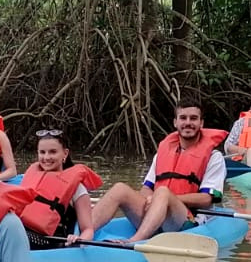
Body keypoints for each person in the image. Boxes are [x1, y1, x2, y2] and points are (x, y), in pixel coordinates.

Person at [92, 101, 226, 242]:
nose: (188, 123)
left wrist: (165, 198)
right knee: (120, 189)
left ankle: (133, 241)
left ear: (201, 123)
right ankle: (84, 233)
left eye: (193, 118)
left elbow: (207, 198)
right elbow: (146, 189)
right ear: (175, 122)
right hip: (155, 214)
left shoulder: (214, 157)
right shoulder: (162, 153)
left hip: (188, 219)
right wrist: (151, 199)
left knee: (162, 192)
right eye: (183, 118)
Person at [17, 128, 100, 245]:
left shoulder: (77, 188)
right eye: (42, 152)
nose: (46, 157)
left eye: (53, 152)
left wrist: (79, 239)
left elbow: (88, 229)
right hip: (21, 234)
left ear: (65, 153)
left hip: (50, 242)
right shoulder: (30, 178)